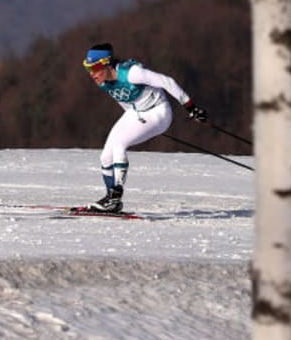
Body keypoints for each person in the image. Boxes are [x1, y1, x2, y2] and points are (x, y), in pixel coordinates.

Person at [80, 42, 207, 213]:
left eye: (95, 67)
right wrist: (137, 124)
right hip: (137, 113)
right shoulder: (103, 83)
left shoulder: (132, 73)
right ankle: (111, 199)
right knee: (105, 156)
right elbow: (124, 101)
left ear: (107, 63)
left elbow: (167, 82)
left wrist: (191, 107)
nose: (92, 74)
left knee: (120, 145)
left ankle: (116, 196)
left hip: (159, 113)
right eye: (88, 68)